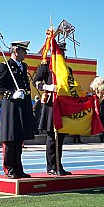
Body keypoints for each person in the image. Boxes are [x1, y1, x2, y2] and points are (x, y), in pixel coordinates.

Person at [0, 40, 35, 178]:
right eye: (23, 51)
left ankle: (18, 167)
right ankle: (9, 168)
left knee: (19, 138)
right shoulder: (5, 66)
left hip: (22, 106)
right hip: (11, 106)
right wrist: (12, 94)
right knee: (10, 138)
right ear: (16, 51)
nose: (25, 54)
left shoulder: (23, 66)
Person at [33, 39, 71, 175]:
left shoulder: (67, 69)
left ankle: (58, 164)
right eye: (59, 52)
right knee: (51, 138)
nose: (62, 55)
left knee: (60, 137)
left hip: (64, 107)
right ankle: (51, 167)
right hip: (51, 106)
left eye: (63, 53)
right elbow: (35, 82)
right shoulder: (46, 67)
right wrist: (47, 87)